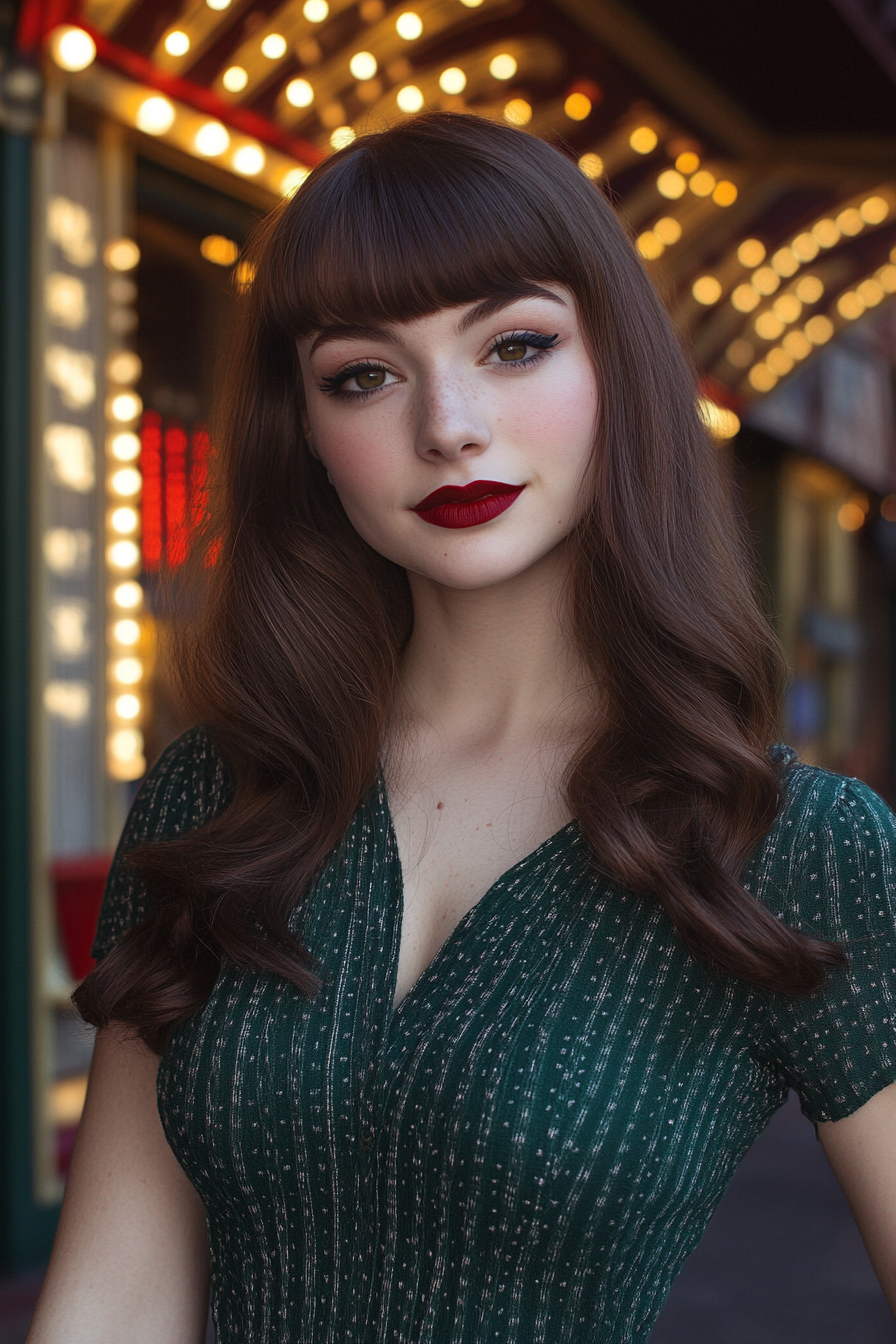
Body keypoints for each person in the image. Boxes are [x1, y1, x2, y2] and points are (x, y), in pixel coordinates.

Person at [28, 112, 896, 1344]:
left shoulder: (793, 845)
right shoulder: (212, 800)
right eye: (363, 375)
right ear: (309, 434)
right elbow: (110, 1309)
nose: (447, 424)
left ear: (615, 373)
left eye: (515, 345)